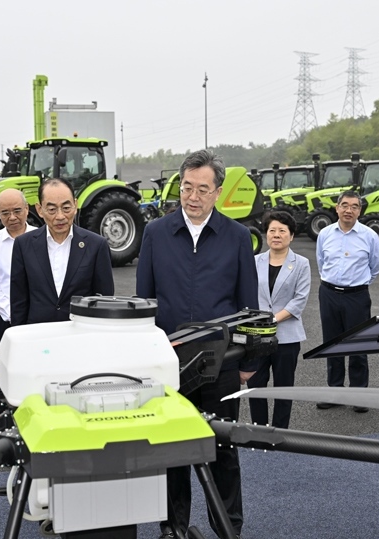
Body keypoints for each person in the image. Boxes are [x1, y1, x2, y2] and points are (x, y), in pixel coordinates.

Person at [136, 149, 258, 539]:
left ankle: (228, 528)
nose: (192, 197)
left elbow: (248, 305)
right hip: (169, 365)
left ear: (218, 192)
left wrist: (247, 362)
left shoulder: (237, 237)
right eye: (187, 187)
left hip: (221, 364)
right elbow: (144, 301)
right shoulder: (156, 233)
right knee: (171, 451)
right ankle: (172, 528)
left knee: (223, 450)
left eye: (202, 189)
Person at [10, 178, 114, 325]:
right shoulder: (23, 245)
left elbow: (104, 300)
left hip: (81, 330)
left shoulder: (96, 245)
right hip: (38, 331)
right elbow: (18, 301)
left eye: (66, 208)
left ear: (75, 205)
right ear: (39, 209)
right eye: (52, 209)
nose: (60, 216)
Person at [315, 190, 379, 412]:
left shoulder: (369, 236)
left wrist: (357, 285)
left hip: (357, 296)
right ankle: (334, 392)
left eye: (354, 206)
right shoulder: (325, 234)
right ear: (337, 208)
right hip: (329, 294)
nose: (349, 210)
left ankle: (359, 395)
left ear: (359, 211)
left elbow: (375, 267)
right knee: (332, 344)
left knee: (358, 345)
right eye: (344, 205)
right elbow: (321, 261)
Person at [247, 210, 311, 429]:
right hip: (257, 336)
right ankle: (259, 430)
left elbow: (299, 300)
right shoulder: (254, 261)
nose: (276, 235)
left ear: (291, 236)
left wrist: (272, 320)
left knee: (284, 387)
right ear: (266, 234)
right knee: (256, 385)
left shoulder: (301, 263)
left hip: (287, 336)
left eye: (282, 231)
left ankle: (280, 431)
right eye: (272, 230)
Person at [0, 189, 36, 349]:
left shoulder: (42, 238)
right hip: (6, 317)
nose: (12, 217)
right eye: (5, 213)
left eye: (17, 211)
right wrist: (13, 313)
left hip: (39, 316)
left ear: (27, 208)